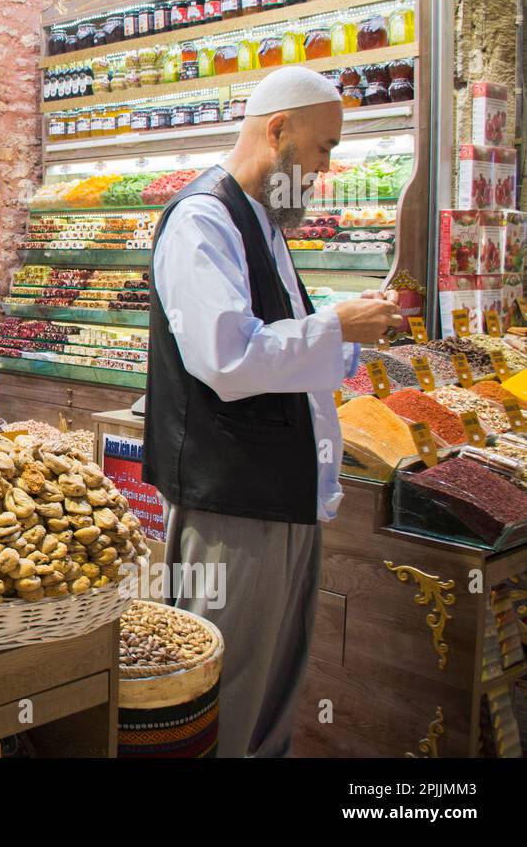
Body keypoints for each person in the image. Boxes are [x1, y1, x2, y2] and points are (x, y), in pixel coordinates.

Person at [144, 67, 403, 758]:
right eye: (323, 148)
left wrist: (341, 340)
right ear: (278, 129)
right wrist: (339, 327)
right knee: (227, 691)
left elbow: (275, 347)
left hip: (277, 495)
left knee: (272, 688)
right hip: (235, 502)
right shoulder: (204, 218)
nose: (327, 167)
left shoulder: (259, 219)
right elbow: (228, 358)